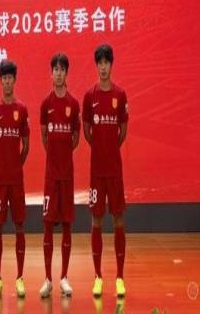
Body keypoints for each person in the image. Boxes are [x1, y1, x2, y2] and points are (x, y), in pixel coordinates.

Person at [82, 44, 129, 298]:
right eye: (99, 63)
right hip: (97, 171)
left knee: (118, 219)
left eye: (106, 62)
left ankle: (120, 278)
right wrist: (100, 148)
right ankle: (98, 277)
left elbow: (123, 130)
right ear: (96, 65)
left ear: (111, 64)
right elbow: (87, 131)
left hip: (115, 170)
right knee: (96, 220)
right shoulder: (89, 96)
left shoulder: (120, 95)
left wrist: (110, 148)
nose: (103, 67)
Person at [38, 53, 80, 298]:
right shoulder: (46, 104)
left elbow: (75, 137)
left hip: (67, 176)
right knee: (47, 226)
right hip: (50, 177)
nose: (59, 73)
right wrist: (54, 157)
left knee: (66, 226)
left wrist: (64, 155)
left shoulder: (73, 104)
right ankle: (47, 278)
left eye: (62, 69)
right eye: (55, 69)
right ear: (51, 73)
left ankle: (64, 277)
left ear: (66, 73)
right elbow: (44, 136)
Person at [0, 60, 30, 298]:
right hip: (0, 181)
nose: (6, 82)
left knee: (19, 225)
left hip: (17, 180)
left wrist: (15, 165)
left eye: (10, 78)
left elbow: (26, 145)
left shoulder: (21, 109)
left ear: (15, 80)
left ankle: (20, 277)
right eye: (3, 78)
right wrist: (1, 166)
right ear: (0, 80)